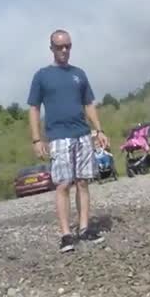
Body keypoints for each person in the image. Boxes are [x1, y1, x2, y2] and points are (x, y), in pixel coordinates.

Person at [27, 28, 110, 253]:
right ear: (51, 48)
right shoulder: (42, 76)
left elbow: (89, 104)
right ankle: (66, 234)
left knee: (83, 182)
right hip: (58, 137)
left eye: (68, 46)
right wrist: (37, 139)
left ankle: (84, 229)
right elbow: (34, 108)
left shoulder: (79, 74)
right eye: (60, 46)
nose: (64, 50)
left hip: (82, 134)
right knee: (63, 184)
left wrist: (99, 130)